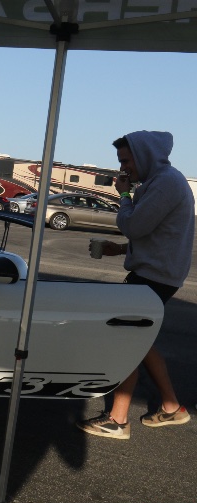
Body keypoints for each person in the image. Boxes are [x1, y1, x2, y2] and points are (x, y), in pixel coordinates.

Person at [78, 131, 194, 440]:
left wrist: (124, 196)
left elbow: (134, 224)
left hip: (155, 277)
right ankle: (171, 408)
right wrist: (120, 250)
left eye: (126, 160)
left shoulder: (166, 183)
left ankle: (118, 421)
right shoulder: (160, 182)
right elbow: (156, 236)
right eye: (122, 161)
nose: (124, 167)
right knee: (138, 340)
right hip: (156, 274)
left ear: (144, 156)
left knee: (124, 339)